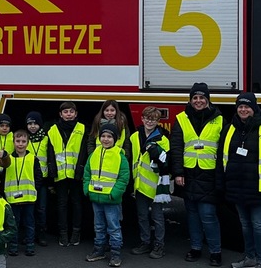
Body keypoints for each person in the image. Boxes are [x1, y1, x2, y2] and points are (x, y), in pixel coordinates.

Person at [221, 93, 261, 268]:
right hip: (237, 187)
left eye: (247, 106)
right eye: (240, 107)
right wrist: (224, 185)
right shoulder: (230, 129)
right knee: (245, 225)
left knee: (258, 225)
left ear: (254, 108)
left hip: (258, 189)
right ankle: (249, 258)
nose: (243, 110)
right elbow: (223, 159)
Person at [170, 83, 223, 266]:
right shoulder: (181, 118)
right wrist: (178, 172)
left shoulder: (219, 119)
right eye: (195, 98)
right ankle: (195, 248)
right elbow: (176, 147)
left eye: (202, 98)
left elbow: (223, 150)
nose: (198, 101)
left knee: (208, 215)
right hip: (189, 173)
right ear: (190, 100)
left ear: (208, 100)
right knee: (192, 215)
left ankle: (216, 252)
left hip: (209, 173)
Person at [83, 123, 130, 267]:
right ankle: (99, 250)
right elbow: (87, 173)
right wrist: (87, 189)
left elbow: (124, 178)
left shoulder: (120, 156)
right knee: (98, 226)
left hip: (111, 200)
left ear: (115, 139)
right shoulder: (94, 154)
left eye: (109, 136)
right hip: (96, 198)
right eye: (103, 136)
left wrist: (114, 194)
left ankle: (115, 254)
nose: (106, 139)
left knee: (114, 227)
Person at [128, 106, 171, 259]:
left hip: (156, 185)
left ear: (158, 121)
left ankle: (159, 245)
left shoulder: (163, 139)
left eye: (153, 119)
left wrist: (157, 154)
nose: (150, 121)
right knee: (142, 216)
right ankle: (145, 242)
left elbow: (167, 162)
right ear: (142, 119)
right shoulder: (134, 137)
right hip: (139, 184)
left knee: (157, 217)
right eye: (147, 118)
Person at [46, 101, 88, 246]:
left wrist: (81, 168)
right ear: (60, 114)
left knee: (77, 204)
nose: (68, 114)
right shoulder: (52, 130)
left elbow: (84, 151)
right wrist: (52, 169)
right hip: (60, 174)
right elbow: (50, 151)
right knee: (61, 205)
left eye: (71, 111)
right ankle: (63, 234)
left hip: (77, 173)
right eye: (65, 112)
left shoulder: (82, 128)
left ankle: (76, 233)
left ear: (76, 114)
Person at [2, 129, 43, 256]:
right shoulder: (8, 159)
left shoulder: (33, 159)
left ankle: (30, 246)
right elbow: (3, 177)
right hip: (12, 198)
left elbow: (38, 176)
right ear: (13, 142)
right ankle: (13, 246)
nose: (20, 144)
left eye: (23, 141)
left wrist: (35, 188)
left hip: (29, 198)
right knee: (13, 223)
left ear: (28, 143)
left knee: (29, 223)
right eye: (18, 141)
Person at [24, 111, 50, 247]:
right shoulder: (24, 139)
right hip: (27, 180)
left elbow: (50, 158)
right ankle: (29, 235)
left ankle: (41, 234)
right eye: (30, 124)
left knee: (41, 209)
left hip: (43, 180)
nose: (32, 126)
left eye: (35, 123)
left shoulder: (46, 139)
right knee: (29, 209)